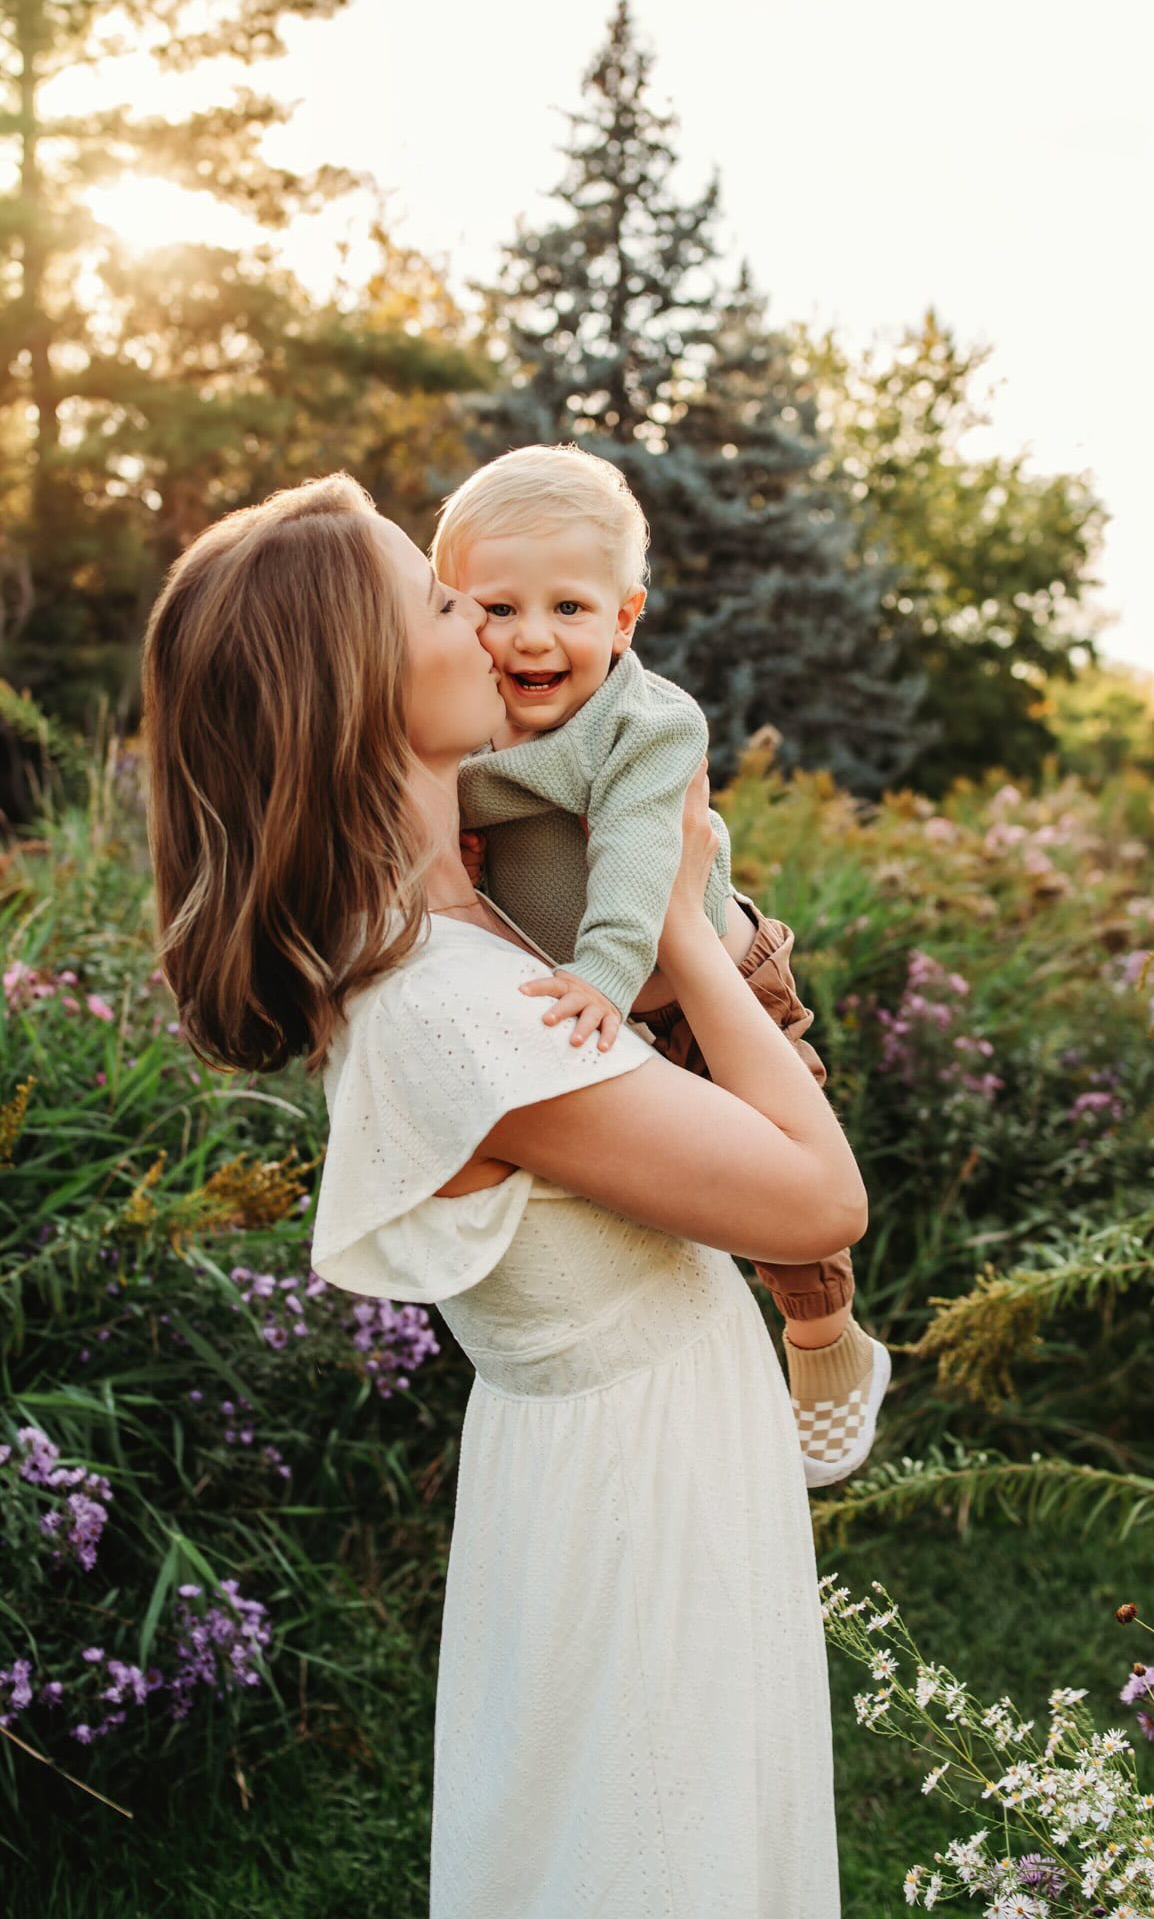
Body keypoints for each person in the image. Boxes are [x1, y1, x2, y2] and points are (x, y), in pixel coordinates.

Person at [143, 471, 865, 1918]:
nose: (488, 625)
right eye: (441, 600)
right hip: (635, 1497)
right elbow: (815, 1202)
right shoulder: (458, 1007)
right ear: (361, 685)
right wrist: (679, 923)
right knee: (659, 1852)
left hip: (643, 1452)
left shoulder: (462, 921)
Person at [431, 443, 889, 1487]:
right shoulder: (467, 728)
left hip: (708, 978)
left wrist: (602, 973)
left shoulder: (647, 723)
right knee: (675, 1186)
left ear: (624, 619)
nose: (533, 635)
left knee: (780, 1186)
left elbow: (642, 856)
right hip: (595, 993)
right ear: (455, 615)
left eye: (570, 608)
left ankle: (826, 1341)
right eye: (498, 608)